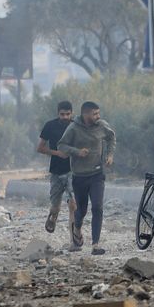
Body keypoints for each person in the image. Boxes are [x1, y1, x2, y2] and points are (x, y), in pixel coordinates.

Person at [58, 101, 116, 255]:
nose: (98, 116)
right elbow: (61, 145)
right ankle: (77, 228)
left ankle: (95, 244)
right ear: (85, 114)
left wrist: (110, 155)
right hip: (79, 176)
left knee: (97, 207)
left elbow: (111, 137)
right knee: (81, 210)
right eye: (95, 114)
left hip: (97, 174)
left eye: (98, 113)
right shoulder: (73, 128)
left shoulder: (102, 125)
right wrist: (77, 151)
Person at [37, 100, 77, 240]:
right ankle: (53, 216)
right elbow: (40, 148)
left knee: (73, 205)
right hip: (56, 171)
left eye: (67, 114)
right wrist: (57, 153)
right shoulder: (50, 126)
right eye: (62, 114)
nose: (65, 117)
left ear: (72, 113)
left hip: (73, 170)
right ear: (58, 113)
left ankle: (74, 239)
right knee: (55, 206)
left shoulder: (76, 126)